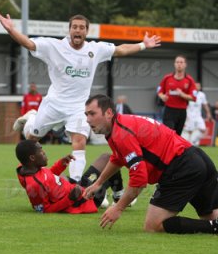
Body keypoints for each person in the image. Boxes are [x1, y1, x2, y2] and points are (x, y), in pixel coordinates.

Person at [0, 12, 161, 183]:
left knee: (79, 141)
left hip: (78, 107)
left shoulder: (94, 49)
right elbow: (29, 43)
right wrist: (11, 29)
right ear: (69, 30)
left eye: (82, 27)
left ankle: (75, 184)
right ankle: (31, 118)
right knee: (31, 140)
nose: (78, 30)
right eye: (74, 27)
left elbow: (120, 49)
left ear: (86, 32)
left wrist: (143, 44)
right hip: (53, 104)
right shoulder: (54, 46)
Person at [83, 94, 218, 234]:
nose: (88, 120)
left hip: (181, 167)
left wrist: (118, 208)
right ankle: (214, 226)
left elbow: (140, 180)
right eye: (86, 114)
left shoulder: (121, 133)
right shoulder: (119, 125)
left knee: (153, 226)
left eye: (92, 114)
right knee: (210, 218)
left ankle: (214, 227)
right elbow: (118, 158)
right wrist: (98, 183)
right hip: (195, 157)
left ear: (109, 113)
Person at [15, 140, 131, 214]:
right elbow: (44, 210)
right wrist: (70, 198)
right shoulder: (34, 185)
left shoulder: (26, 167)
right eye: (42, 153)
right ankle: (115, 196)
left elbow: (47, 176)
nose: (45, 154)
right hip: (83, 199)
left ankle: (116, 195)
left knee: (107, 157)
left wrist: (60, 164)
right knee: (112, 162)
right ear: (32, 158)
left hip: (76, 186)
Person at [157, 55, 197, 135]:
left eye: (181, 62)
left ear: (185, 65)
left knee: (177, 135)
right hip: (169, 110)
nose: (179, 64)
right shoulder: (167, 78)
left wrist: (182, 94)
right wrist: (162, 96)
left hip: (182, 111)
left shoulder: (189, 80)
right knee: (169, 132)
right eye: (177, 62)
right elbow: (159, 91)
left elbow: (193, 97)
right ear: (174, 64)